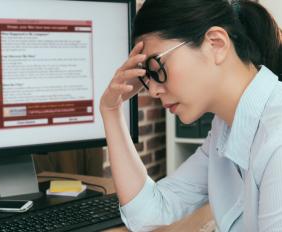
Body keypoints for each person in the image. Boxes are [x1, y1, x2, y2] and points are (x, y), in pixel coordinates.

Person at [100, 0, 282, 231]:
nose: (153, 90)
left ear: (216, 44)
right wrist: (111, 110)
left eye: (157, 69)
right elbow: (149, 214)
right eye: (147, 77)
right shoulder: (225, 129)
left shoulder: (276, 140)